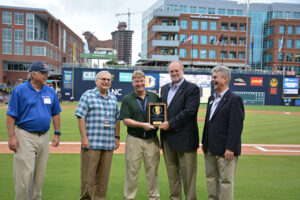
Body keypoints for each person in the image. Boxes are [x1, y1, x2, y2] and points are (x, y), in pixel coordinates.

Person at [6, 60, 61, 200]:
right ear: (33, 74)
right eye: (43, 73)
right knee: (24, 176)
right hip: (25, 135)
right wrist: (12, 137)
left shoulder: (49, 90)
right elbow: (11, 115)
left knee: (39, 178)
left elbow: (55, 113)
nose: (46, 75)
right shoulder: (20, 90)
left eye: (47, 73)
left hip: (44, 136)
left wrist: (57, 133)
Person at [75, 71, 120, 200]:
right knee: (88, 178)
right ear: (96, 81)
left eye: (109, 79)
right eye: (103, 79)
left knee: (103, 179)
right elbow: (81, 117)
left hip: (108, 145)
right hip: (92, 143)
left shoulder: (113, 98)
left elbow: (117, 119)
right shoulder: (88, 96)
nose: (106, 81)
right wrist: (84, 137)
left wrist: (117, 137)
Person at [202, 66, 245, 200]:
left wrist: (230, 147)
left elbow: (236, 126)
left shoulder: (234, 99)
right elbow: (208, 124)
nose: (212, 80)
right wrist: (204, 143)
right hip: (210, 149)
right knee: (211, 179)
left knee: (225, 182)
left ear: (225, 78)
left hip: (226, 151)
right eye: (212, 77)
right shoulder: (211, 99)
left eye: (215, 77)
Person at [159, 61, 200, 200]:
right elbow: (160, 111)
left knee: (189, 177)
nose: (174, 73)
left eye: (177, 70)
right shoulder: (164, 89)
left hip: (185, 139)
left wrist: (170, 124)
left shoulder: (192, 88)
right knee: (172, 176)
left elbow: (189, 112)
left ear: (182, 71)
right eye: (171, 71)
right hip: (167, 140)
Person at [120, 70, 160, 200]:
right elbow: (126, 120)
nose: (139, 84)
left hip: (152, 139)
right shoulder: (127, 99)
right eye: (136, 81)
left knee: (152, 171)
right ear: (132, 82)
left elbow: (160, 116)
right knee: (132, 171)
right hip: (134, 139)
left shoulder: (154, 97)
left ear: (145, 81)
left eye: (141, 81)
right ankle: (129, 197)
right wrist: (143, 125)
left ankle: (154, 197)